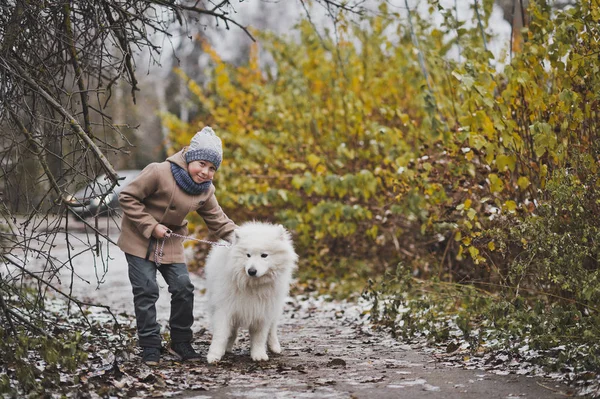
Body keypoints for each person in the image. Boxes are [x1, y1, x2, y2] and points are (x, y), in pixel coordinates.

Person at [117, 126, 237, 365]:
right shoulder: (158, 171)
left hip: (170, 242)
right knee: (147, 290)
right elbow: (126, 196)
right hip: (139, 238)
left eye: (212, 168)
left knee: (183, 287)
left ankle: (181, 341)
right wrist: (151, 225)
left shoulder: (205, 190)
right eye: (202, 164)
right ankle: (150, 345)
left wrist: (244, 241)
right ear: (190, 157)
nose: (205, 172)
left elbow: (218, 220)